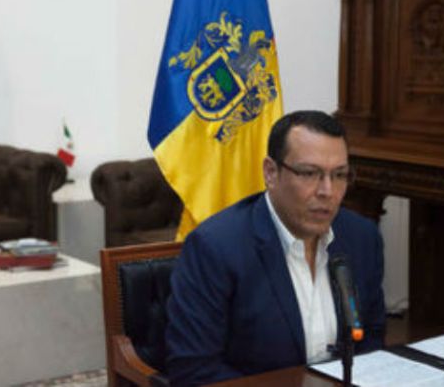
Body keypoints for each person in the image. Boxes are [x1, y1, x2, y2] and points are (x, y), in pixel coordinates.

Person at [165, 110, 386, 385]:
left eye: (339, 175)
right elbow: (194, 370)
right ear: (270, 172)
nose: (328, 191)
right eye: (310, 173)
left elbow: (371, 339)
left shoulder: (362, 237)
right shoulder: (216, 247)